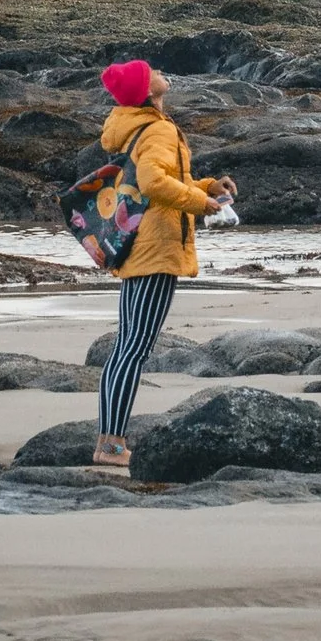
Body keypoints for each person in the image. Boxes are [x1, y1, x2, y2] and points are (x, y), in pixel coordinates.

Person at [89, 59, 236, 473]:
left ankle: (109, 440)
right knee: (132, 350)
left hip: (142, 246)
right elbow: (154, 183)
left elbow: (163, 177)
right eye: (149, 71)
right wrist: (200, 203)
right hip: (155, 249)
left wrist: (208, 187)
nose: (157, 71)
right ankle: (112, 446)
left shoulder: (139, 123)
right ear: (146, 90)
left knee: (126, 347)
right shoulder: (157, 128)